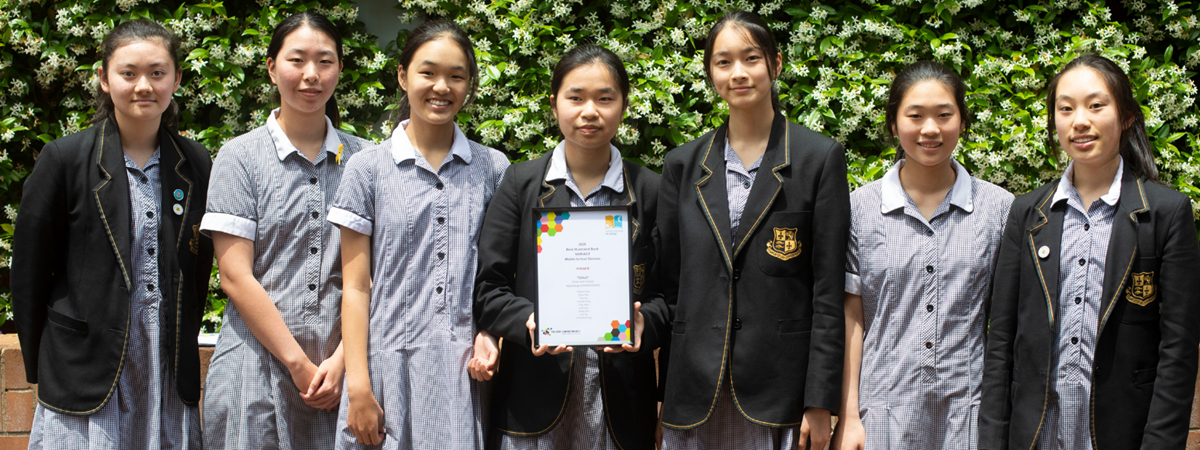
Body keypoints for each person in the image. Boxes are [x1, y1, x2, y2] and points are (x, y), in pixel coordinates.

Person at [978, 54, 1200, 450]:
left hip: (1122, 432)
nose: (1080, 120)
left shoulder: (1165, 213)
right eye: (1066, 109)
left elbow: (1179, 349)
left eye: (1096, 105)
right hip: (1036, 434)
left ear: (1127, 115)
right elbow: (1002, 340)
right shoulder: (1028, 213)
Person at [12, 18, 213, 449]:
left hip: (164, 364)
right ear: (104, 79)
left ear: (176, 78)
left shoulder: (195, 163)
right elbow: (28, 276)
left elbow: (197, 272)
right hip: (85, 367)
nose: (144, 85)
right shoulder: (64, 159)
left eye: (158, 73)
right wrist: (42, 368)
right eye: (129, 73)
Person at [657, 10, 850, 450]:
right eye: (723, 62)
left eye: (751, 59)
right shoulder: (682, 166)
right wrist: (661, 398)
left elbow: (827, 290)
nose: (738, 73)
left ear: (775, 65)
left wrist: (820, 402)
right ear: (710, 72)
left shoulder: (817, 159)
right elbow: (671, 292)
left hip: (779, 392)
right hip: (695, 393)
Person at [472, 44, 670, 450]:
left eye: (604, 98)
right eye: (575, 97)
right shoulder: (522, 184)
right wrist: (529, 319)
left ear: (624, 105)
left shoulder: (650, 190)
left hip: (620, 404)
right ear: (554, 104)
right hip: (532, 398)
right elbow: (488, 289)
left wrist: (645, 323)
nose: (589, 111)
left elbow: (672, 295)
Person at [329, 19, 510, 449]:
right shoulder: (367, 169)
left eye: (456, 76)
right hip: (386, 369)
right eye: (428, 72)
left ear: (470, 85)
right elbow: (355, 287)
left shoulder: (494, 169)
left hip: (465, 372)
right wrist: (358, 387)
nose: (441, 87)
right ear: (402, 75)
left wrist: (491, 334)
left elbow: (501, 277)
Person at [200, 11, 371, 450]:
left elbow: (377, 274)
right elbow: (235, 275)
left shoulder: (367, 160)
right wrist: (298, 363)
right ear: (272, 67)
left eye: (325, 62)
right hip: (254, 372)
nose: (311, 75)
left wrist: (341, 362)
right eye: (297, 60)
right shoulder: (239, 157)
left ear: (339, 69)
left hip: (343, 374)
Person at [831, 61, 1013, 450]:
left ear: (962, 122)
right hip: (881, 412)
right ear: (895, 125)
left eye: (944, 115)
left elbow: (1008, 322)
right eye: (915, 116)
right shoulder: (860, 209)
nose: (930, 129)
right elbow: (852, 317)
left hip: (968, 415)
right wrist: (848, 418)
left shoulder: (999, 208)